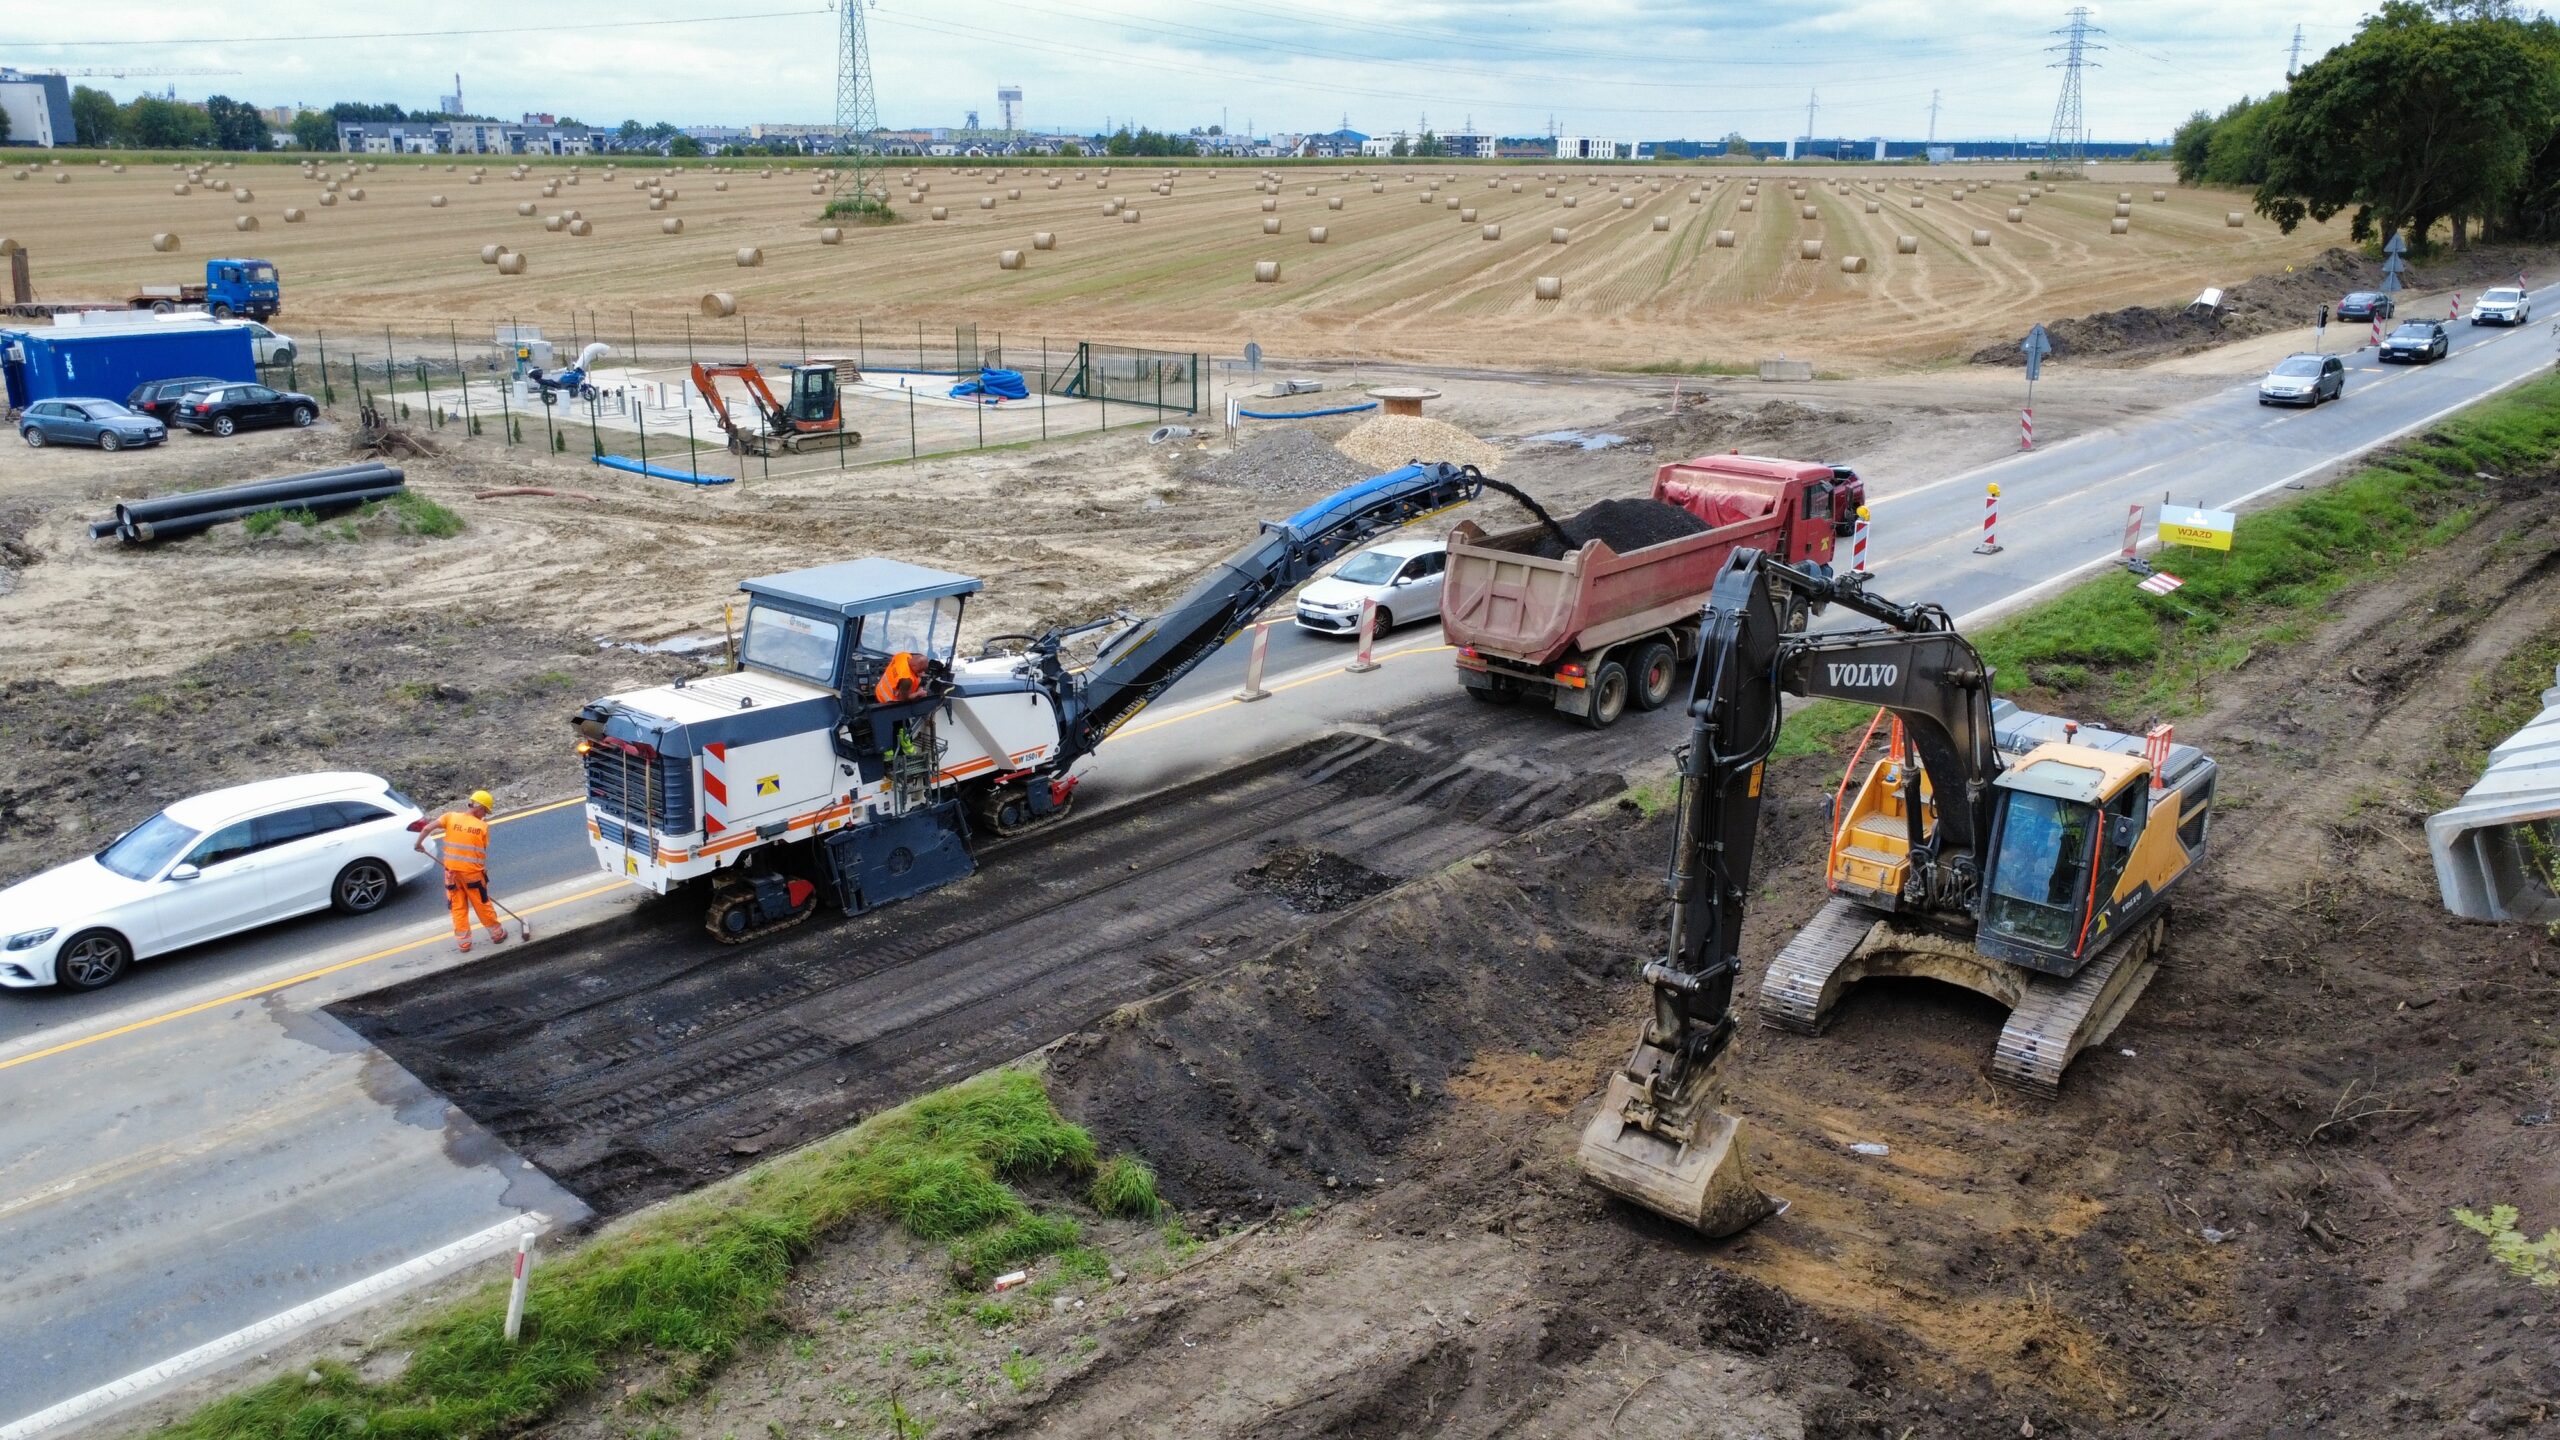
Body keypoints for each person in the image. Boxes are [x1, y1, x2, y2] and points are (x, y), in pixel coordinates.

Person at [417, 790, 509, 952]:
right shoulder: (482, 827)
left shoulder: (450, 817)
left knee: (458, 907)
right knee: (482, 904)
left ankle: (464, 943)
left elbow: (426, 829)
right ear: (479, 809)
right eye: (485, 811)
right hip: (472, 875)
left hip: (451, 874)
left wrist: (419, 844)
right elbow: (480, 850)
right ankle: (497, 934)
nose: (484, 815)